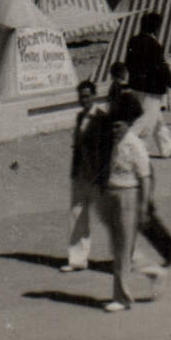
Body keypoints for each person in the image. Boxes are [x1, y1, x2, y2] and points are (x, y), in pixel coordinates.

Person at [99, 93, 160, 313]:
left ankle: (122, 297)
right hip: (114, 194)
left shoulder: (135, 145)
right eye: (112, 126)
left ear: (127, 123)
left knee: (123, 250)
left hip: (128, 197)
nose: (114, 131)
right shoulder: (117, 142)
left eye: (118, 126)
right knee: (119, 248)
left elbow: (144, 177)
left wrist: (143, 207)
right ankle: (152, 270)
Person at [62, 80, 108, 274]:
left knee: (109, 218)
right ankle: (77, 259)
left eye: (87, 95)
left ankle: (126, 257)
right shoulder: (80, 117)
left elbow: (106, 150)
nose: (84, 99)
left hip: (96, 177)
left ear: (95, 96)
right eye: (81, 96)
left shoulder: (101, 118)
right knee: (77, 215)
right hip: (80, 175)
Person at [123, 13, 171, 159]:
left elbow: (128, 63)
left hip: (136, 86)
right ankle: (129, 147)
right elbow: (161, 67)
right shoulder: (155, 45)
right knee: (146, 121)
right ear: (156, 28)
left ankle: (167, 146)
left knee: (157, 118)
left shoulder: (133, 41)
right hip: (152, 90)